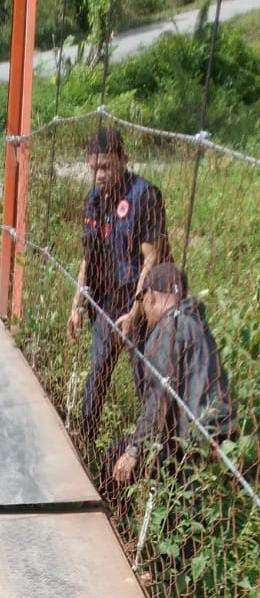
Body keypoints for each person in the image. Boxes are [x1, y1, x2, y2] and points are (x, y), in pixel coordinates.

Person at [66, 128, 172, 453]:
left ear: (124, 160)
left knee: (147, 383)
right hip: (107, 302)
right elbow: (88, 257)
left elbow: (151, 259)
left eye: (107, 167)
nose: (100, 175)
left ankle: (153, 454)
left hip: (144, 305)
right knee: (96, 375)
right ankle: (85, 446)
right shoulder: (93, 200)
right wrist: (76, 305)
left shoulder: (144, 196)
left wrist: (136, 312)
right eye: (95, 167)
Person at [107, 263, 234, 488]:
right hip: (220, 436)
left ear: (151, 296)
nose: (142, 311)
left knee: (115, 455)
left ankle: (117, 517)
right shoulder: (195, 320)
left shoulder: (169, 328)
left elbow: (157, 397)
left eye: (141, 300)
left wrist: (133, 450)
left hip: (192, 444)